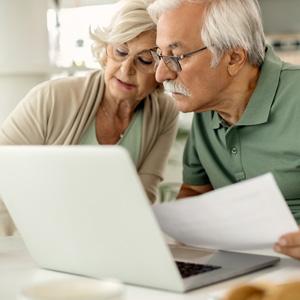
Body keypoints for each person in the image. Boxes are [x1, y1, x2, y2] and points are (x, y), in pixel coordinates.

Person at [0, 0, 178, 235]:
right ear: (106, 51)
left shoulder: (164, 113)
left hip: (103, 241)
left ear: (161, 70)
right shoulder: (51, 98)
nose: (126, 69)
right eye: (120, 52)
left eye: (144, 60)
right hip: (26, 238)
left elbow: (142, 199)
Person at [147, 0, 300, 258]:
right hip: (242, 268)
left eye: (176, 57)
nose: (161, 75)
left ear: (234, 58)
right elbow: (195, 192)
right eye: (160, 56)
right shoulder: (206, 108)